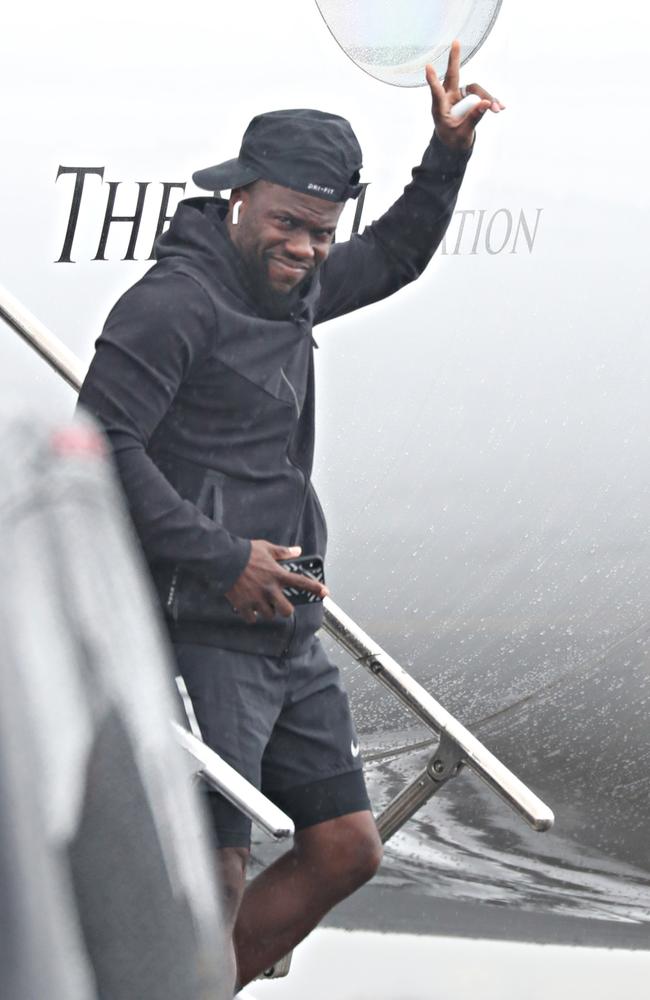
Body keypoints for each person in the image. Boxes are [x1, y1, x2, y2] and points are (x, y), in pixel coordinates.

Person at [78, 43, 502, 991]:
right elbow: (100, 443)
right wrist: (223, 553)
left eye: (321, 228)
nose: (306, 248)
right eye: (287, 223)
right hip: (199, 624)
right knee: (211, 870)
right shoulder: (171, 305)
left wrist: (445, 155)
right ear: (241, 198)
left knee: (347, 849)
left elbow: (392, 254)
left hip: (283, 624)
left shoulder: (295, 286)